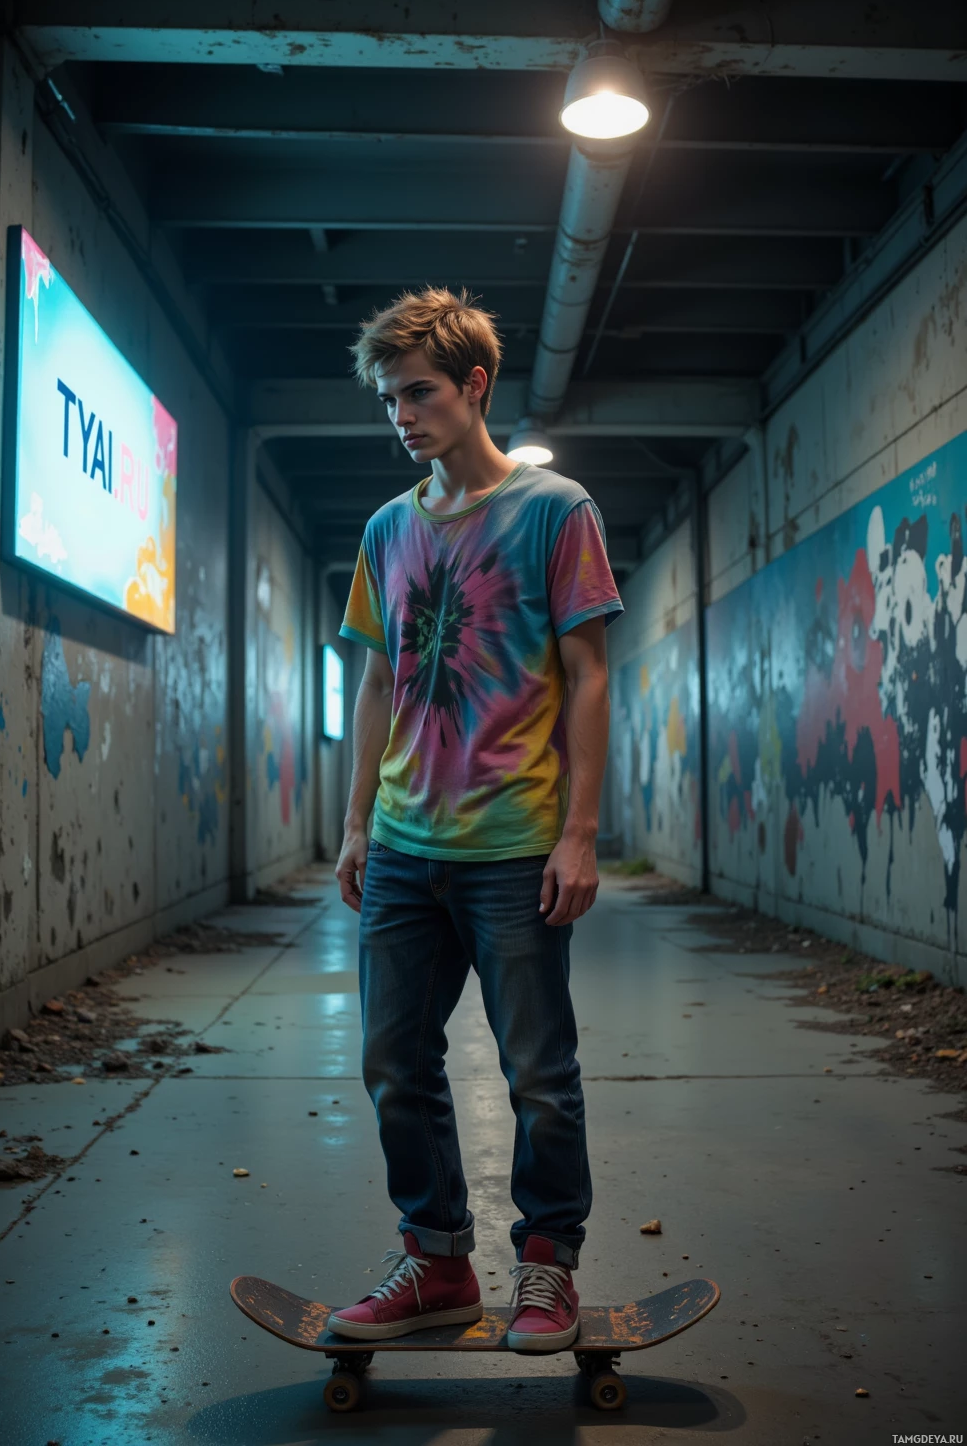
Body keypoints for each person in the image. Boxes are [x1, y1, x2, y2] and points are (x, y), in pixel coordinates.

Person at [331, 288, 623, 1353]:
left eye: (416, 392)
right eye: (386, 398)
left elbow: (588, 678)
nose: (400, 415)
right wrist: (357, 822)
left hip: (513, 846)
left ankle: (547, 1270)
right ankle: (440, 1262)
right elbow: (376, 685)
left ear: (473, 387)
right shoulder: (385, 529)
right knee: (392, 1062)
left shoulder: (557, 511)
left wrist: (580, 831)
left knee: (538, 1072)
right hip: (406, 847)